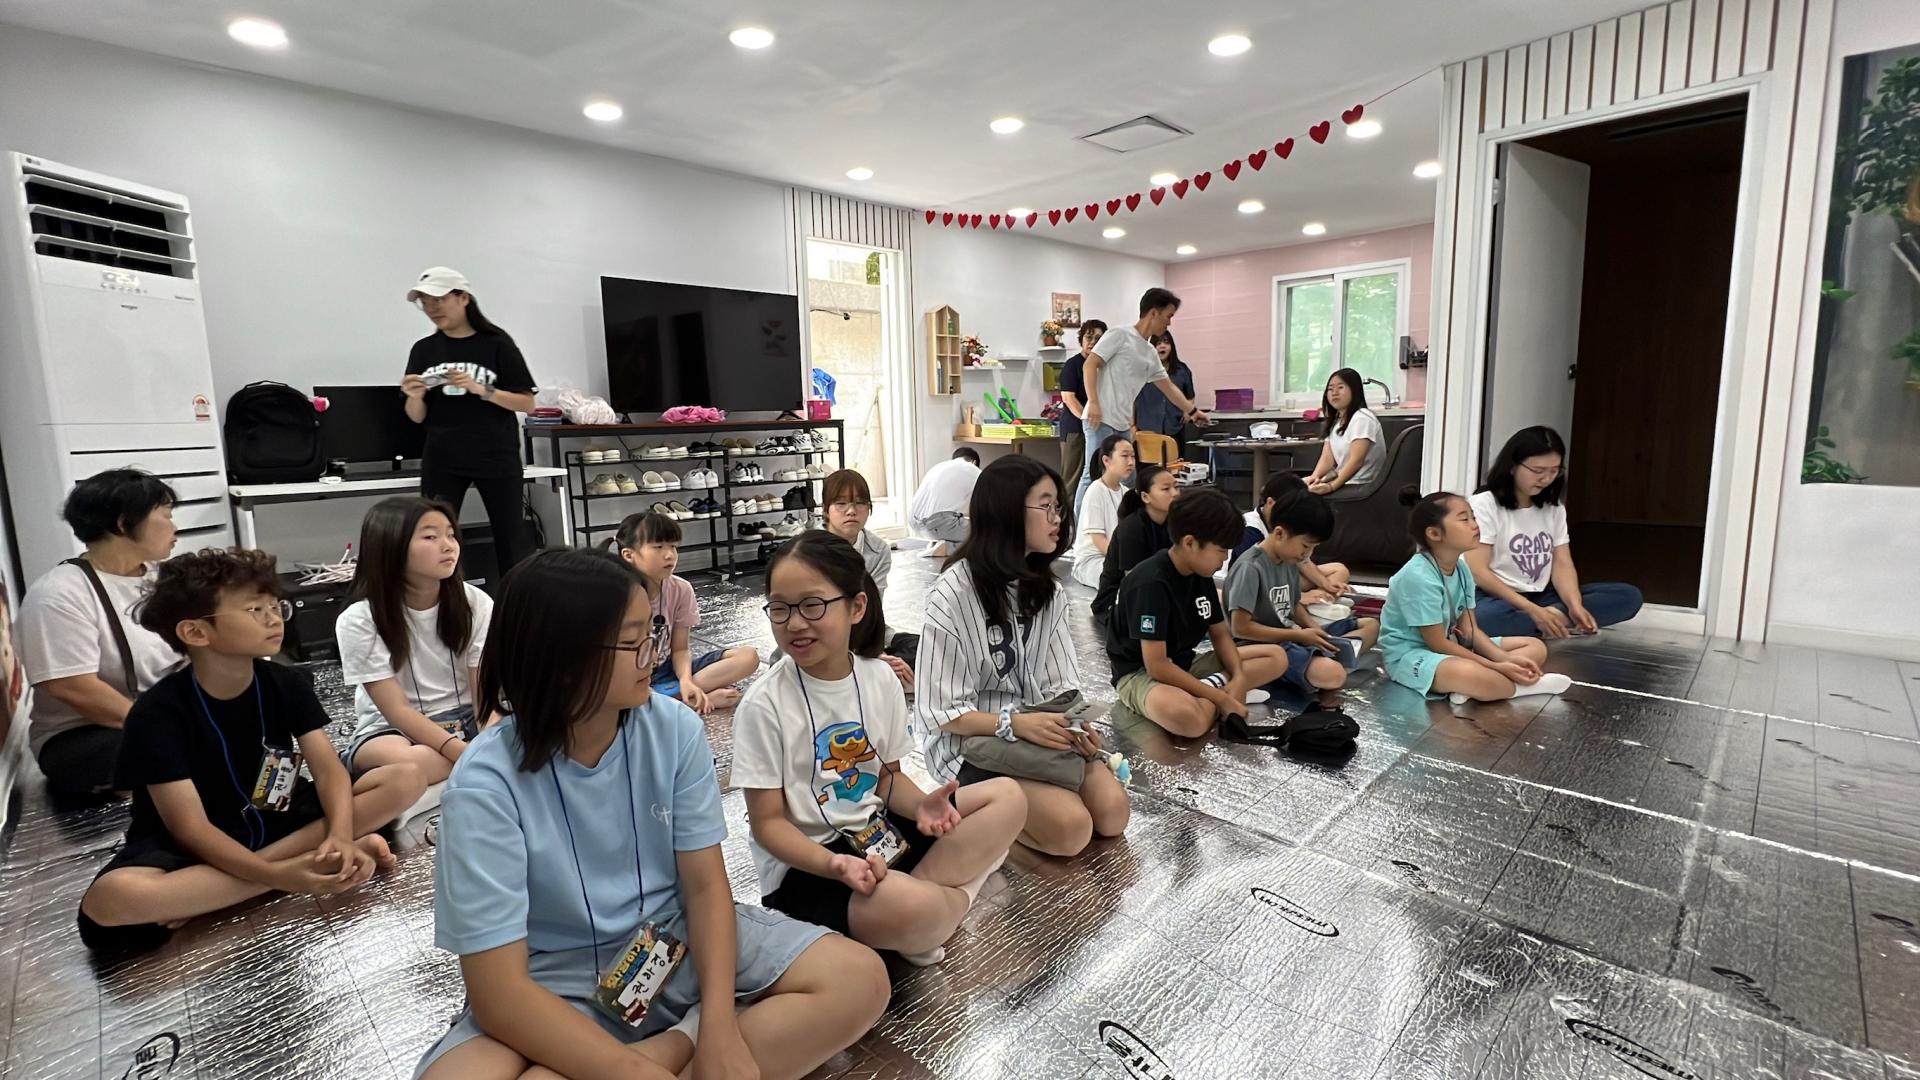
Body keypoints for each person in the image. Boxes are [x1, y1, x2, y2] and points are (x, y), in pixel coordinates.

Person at [416, 548, 888, 1079]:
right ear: (560, 657)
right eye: (633, 642)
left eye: (652, 635)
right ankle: (680, 1044)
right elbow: (499, 991)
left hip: (677, 940)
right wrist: (642, 1069)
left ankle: (687, 1032)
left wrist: (717, 1026)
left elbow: (705, 888)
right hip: (550, 978)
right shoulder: (483, 784)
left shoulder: (672, 730)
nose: (654, 656)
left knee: (860, 979)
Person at [76, 548, 421, 953]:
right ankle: (296, 867)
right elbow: (190, 828)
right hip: (200, 842)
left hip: (277, 813)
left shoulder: (284, 683)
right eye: (255, 609)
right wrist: (281, 877)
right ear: (195, 633)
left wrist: (342, 836)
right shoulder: (157, 713)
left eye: (276, 607)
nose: (274, 619)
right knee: (108, 902)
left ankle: (223, 890)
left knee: (405, 776)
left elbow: (328, 771)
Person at [734, 532, 1024, 966]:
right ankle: (942, 902)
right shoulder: (764, 705)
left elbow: (887, 778)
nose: (794, 623)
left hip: (877, 834)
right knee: (921, 907)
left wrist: (922, 805)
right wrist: (835, 866)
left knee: (1007, 797)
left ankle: (924, 909)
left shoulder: (879, 678)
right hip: (810, 868)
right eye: (780, 608)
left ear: (856, 607)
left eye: (812, 605)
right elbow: (768, 825)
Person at [915, 456, 1130, 857]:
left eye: (1058, 507)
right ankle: (980, 813)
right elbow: (941, 713)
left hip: (1037, 730)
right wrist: (1013, 724)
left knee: (1113, 812)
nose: (1057, 518)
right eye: (1045, 506)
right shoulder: (953, 594)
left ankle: (1026, 801)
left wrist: (1076, 728)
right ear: (1006, 512)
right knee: (1070, 829)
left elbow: (1060, 686)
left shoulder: (1047, 591)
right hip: (971, 741)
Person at [16, 469, 188, 800]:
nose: (174, 527)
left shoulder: (165, 578)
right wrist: (164, 728)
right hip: (88, 734)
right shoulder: (58, 594)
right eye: (166, 515)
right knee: (162, 750)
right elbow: (72, 687)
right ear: (123, 523)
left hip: (163, 713)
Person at [1104, 488, 1287, 738]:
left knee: (1276, 656)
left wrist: (1239, 678)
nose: (1224, 560)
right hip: (1140, 674)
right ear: (1189, 543)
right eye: (1221, 550)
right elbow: (1157, 666)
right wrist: (1222, 699)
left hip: (1185, 663)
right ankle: (1214, 694)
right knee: (1190, 721)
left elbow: (1220, 635)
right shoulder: (1150, 582)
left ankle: (1212, 690)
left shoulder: (1200, 574)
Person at [335, 497, 492, 784]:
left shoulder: (475, 602)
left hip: (468, 719)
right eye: (431, 537)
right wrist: (468, 754)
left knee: (540, 733)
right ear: (391, 546)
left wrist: (490, 739)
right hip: (392, 729)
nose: (448, 546)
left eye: (450, 535)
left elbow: (485, 698)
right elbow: (397, 710)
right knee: (413, 762)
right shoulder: (360, 619)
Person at [401, 266, 539, 572]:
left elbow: (527, 403)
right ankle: (444, 599)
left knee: (511, 540)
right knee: (432, 538)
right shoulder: (423, 350)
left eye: (439, 299)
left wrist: (481, 389)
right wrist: (414, 396)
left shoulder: (497, 343)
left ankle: (516, 600)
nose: (432, 308)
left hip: (496, 454)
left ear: (463, 298)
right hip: (442, 456)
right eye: (425, 302)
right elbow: (416, 417)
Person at [1380, 490, 1575, 705]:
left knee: (1534, 647)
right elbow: (1436, 643)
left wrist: (1505, 659)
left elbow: (1470, 630)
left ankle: (1475, 687)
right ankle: (1523, 687)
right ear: (1434, 534)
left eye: (1473, 517)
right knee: (1470, 673)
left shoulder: (1461, 568)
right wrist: (1495, 665)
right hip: (1413, 656)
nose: (1475, 525)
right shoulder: (1418, 576)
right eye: (1464, 519)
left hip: (1455, 645)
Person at [1466, 426, 1644, 639]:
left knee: (1628, 596)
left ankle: (1548, 620)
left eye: (1554, 471)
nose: (1546, 479)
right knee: (1485, 618)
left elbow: (1562, 563)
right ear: (1512, 466)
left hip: (1540, 596)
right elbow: (1478, 572)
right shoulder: (1484, 504)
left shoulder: (1554, 507)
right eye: (1538, 471)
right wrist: (1533, 611)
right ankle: (1548, 622)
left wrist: (1574, 605)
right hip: (1493, 596)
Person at [1224, 486, 1380, 693]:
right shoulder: (1251, 567)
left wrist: (1313, 629)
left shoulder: (1288, 560)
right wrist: (1300, 636)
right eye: (1306, 546)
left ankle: (1324, 655)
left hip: (1294, 636)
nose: (1308, 554)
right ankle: (1321, 661)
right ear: (1279, 533)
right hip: (1262, 647)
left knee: (1371, 625)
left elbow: (1294, 604)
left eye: (1313, 548)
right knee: (1334, 675)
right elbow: (1241, 629)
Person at [607, 512, 760, 714]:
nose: (669, 555)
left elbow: (679, 649)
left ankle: (675, 697)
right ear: (629, 555)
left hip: (667, 668)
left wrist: (686, 680)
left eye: (673, 546)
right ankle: (685, 701)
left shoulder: (681, 589)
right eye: (658, 547)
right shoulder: (617, 594)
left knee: (748, 657)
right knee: (615, 695)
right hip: (630, 674)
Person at [1079, 288, 1210, 512]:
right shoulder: (1120, 335)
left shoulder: (1149, 352)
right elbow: (1090, 364)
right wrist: (1094, 403)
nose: (1169, 323)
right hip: (1100, 419)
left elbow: (1168, 387)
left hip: (1122, 424)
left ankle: (1123, 522)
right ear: (1153, 313)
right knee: (1093, 476)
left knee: (1128, 478)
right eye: (1168, 316)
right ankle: (1081, 528)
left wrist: (1192, 410)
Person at [822, 468, 916, 687]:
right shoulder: (808, 550)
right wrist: (867, 656)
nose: (851, 511)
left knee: (926, 648)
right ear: (825, 510)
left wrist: (874, 651)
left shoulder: (878, 550)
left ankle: (874, 673)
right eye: (841, 503)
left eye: (860, 503)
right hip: (821, 638)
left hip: (865, 631)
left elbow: (872, 609)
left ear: (869, 508)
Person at [1235, 474, 1354, 602]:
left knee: (1340, 570)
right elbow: (1251, 578)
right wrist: (1299, 597)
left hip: (1281, 577)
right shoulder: (1251, 528)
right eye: (1306, 546)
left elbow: (1303, 562)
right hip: (1258, 584)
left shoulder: (1290, 530)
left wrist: (1326, 584)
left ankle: (1319, 598)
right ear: (1271, 503)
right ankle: (1311, 599)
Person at [1090, 463, 1179, 619]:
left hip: (1159, 590)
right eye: (1166, 489)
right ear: (1145, 497)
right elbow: (1134, 582)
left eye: (1176, 487)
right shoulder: (1131, 529)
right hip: (1120, 600)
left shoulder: (1174, 522)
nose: (1175, 493)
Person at [1069, 434, 1136, 588]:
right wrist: (1124, 562)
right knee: (1124, 579)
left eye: (1133, 456)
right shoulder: (1095, 490)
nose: (1131, 462)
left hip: (1115, 558)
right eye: (1125, 456)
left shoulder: (1126, 492)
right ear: (1106, 460)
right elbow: (1098, 539)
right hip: (1091, 562)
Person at [1305, 368, 1385, 495]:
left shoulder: (1362, 418)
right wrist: (1314, 478)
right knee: (1285, 486)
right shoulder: (1336, 421)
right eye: (1330, 389)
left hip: (1360, 485)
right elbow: (1327, 458)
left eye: (1340, 387)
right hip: (1343, 481)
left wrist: (1331, 487)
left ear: (1354, 390)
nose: (1334, 393)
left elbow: (1356, 461)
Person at [1055, 320, 1106, 501]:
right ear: (1081, 340)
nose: (1092, 342)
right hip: (1075, 430)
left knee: (1095, 477)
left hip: (1098, 427)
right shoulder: (1073, 364)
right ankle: (1067, 518)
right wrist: (1088, 421)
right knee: (1073, 479)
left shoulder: (1103, 366)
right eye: (1088, 337)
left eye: (1098, 338)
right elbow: (1069, 398)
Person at [1134, 330, 1196, 458]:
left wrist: (1188, 412)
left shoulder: (1182, 370)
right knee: (1148, 467)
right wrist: (1131, 425)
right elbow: (1132, 399)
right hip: (1147, 428)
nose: (1162, 346)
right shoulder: (1142, 370)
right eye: (1158, 343)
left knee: (1175, 465)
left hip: (1174, 427)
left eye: (1166, 343)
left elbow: (1190, 396)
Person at [908, 448, 981, 556]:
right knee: (988, 534)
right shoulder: (973, 470)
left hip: (914, 524)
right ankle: (948, 548)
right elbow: (981, 508)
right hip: (938, 524)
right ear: (974, 462)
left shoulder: (938, 467)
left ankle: (938, 542)